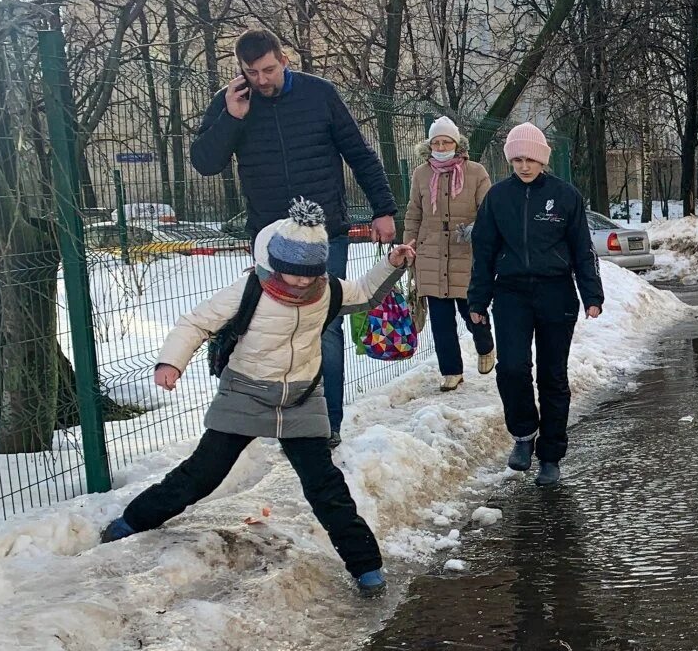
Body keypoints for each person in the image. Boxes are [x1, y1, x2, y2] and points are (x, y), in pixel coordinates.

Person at [99, 199, 416, 598]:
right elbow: (195, 321)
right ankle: (131, 521)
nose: (300, 283)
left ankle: (367, 568)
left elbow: (367, 293)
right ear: (275, 262)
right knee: (203, 474)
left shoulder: (328, 290)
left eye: (309, 275)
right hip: (245, 393)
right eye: (293, 273)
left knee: (326, 487)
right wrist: (170, 363)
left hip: (302, 397)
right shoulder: (249, 289)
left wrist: (392, 263)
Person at [191, 29, 399, 449]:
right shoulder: (233, 101)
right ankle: (274, 416)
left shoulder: (320, 94)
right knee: (268, 328)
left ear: (283, 59)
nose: (262, 79)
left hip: (325, 236)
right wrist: (231, 117)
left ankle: (325, 426)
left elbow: (359, 153)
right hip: (269, 240)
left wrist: (384, 209)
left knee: (324, 327)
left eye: (268, 69)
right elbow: (205, 163)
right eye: (252, 72)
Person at [467, 123, 604, 488]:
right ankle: (524, 434)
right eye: (516, 160)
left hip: (556, 293)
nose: (524, 166)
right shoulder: (497, 198)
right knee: (511, 368)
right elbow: (483, 252)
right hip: (511, 293)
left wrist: (592, 295)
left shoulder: (565, 196)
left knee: (552, 376)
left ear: (542, 159)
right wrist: (478, 299)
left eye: (530, 159)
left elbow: (582, 250)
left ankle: (551, 455)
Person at [404, 116, 495, 392]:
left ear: (457, 144)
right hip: (430, 251)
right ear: (429, 145)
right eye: (436, 142)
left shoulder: (476, 172)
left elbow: (490, 212)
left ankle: (484, 344)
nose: (441, 146)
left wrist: (476, 231)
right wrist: (408, 245)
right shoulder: (421, 174)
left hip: (465, 250)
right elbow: (414, 213)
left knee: (472, 311)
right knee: (440, 321)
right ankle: (451, 371)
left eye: (446, 141)